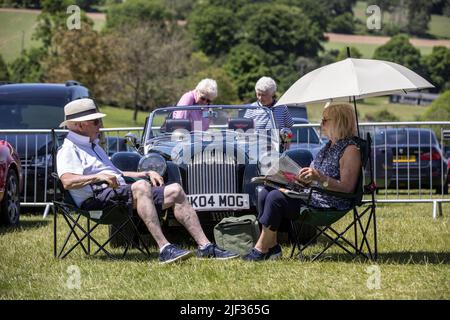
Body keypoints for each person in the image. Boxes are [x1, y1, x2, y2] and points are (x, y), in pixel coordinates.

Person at [57, 98, 239, 264]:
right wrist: (98, 177)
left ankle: (205, 246)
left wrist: (146, 172)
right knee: (141, 188)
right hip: (96, 200)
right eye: (96, 121)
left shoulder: (92, 145)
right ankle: (165, 248)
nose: (100, 125)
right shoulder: (69, 149)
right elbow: (67, 181)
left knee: (175, 189)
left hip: (116, 194)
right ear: (80, 125)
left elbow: (117, 173)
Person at [242, 103, 362, 261]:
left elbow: (347, 188)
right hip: (312, 194)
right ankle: (272, 247)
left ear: (339, 121)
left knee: (275, 199)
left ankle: (261, 248)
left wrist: (319, 178)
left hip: (328, 202)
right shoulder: (328, 146)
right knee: (265, 191)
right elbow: (314, 176)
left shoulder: (350, 150)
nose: (321, 124)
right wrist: (297, 177)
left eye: (325, 120)